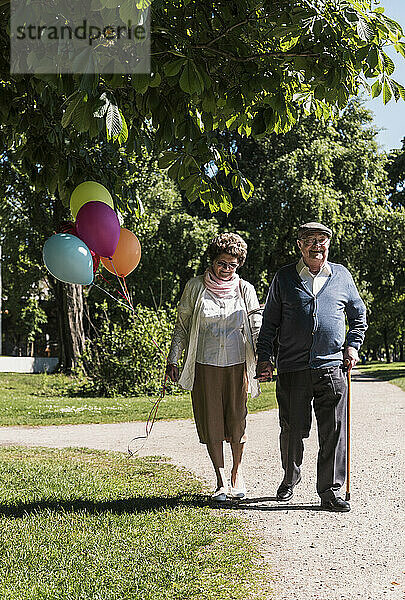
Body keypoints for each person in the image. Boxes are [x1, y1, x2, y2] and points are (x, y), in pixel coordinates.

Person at [256, 222, 367, 512]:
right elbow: (269, 324)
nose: (317, 245)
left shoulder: (341, 275)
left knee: (334, 430)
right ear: (299, 245)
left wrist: (352, 347)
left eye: (322, 240)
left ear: (328, 244)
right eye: (310, 240)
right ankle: (290, 478)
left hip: (332, 366)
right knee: (292, 429)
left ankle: (329, 491)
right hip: (293, 367)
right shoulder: (284, 278)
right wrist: (264, 358)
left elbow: (358, 315)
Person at [166, 233, 262, 501]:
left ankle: (237, 473)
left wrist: (264, 359)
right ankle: (220, 480)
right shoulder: (195, 287)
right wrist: (173, 359)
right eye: (222, 263)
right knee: (212, 422)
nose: (226, 269)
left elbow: (256, 327)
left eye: (232, 264)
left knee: (237, 419)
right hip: (205, 363)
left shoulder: (245, 290)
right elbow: (182, 327)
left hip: (237, 363)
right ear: (212, 260)